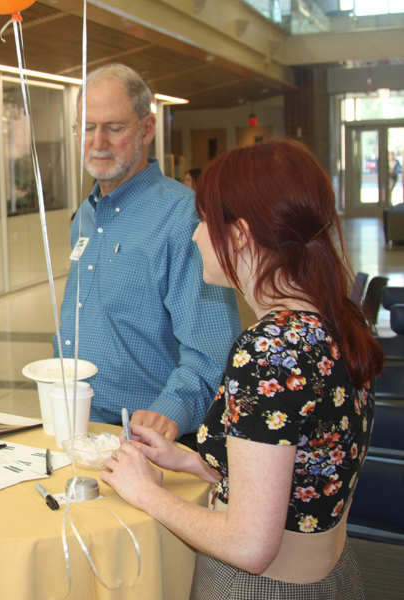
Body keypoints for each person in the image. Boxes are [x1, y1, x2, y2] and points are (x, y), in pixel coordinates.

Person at [100, 139, 384, 599]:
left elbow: (251, 545)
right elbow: (301, 471)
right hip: (333, 577)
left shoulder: (270, 349)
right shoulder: (335, 321)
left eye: (206, 222)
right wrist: (192, 461)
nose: (195, 236)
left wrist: (145, 492)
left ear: (240, 234)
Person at [56, 63, 239, 443]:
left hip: (151, 442)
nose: (98, 141)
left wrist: (167, 414)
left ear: (147, 129)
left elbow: (213, 351)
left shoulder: (184, 218)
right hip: (78, 425)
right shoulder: (86, 216)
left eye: (115, 127)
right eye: (87, 128)